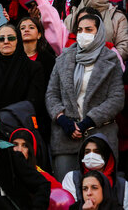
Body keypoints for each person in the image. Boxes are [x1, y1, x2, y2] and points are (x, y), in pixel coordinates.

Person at [45, 14, 125, 181]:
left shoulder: (111, 60)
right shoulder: (63, 58)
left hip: (100, 136)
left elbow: (116, 99)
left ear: (99, 32)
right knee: (67, 193)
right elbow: (51, 94)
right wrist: (62, 120)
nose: (83, 34)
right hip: (65, 138)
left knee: (101, 193)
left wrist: (88, 121)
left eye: (89, 30)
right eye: (80, 30)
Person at [0, 23, 46, 124]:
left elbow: (33, 101)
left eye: (11, 38)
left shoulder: (33, 68)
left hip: (21, 125)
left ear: (18, 41)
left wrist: (6, 120)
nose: (6, 42)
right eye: (1, 39)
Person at [62, 134, 128, 208]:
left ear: (107, 155)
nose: (91, 156)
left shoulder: (122, 185)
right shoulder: (72, 178)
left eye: (97, 152)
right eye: (87, 152)